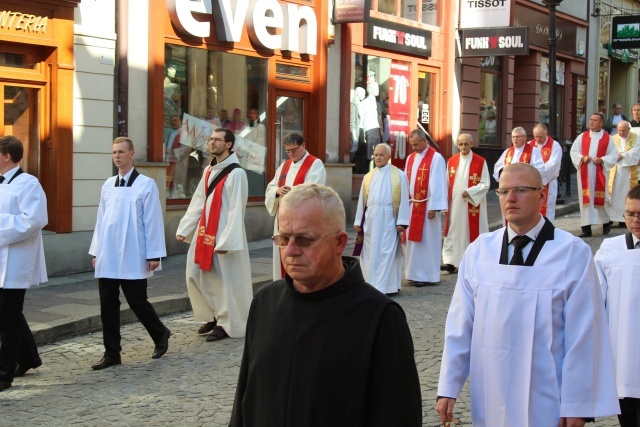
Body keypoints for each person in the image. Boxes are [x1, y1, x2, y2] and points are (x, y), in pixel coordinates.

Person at [436, 163, 620, 427]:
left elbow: (584, 334)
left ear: (542, 195)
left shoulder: (571, 253)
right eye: (504, 191)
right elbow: (460, 326)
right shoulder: (479, 251)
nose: (510, 198)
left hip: (548, 396)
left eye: (521, 190)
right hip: (490, 392)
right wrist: (448, 386)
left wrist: (576, 404)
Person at [229, 183, 422, 426]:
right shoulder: (265, 302)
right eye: (283, 238)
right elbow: (245, 398)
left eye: (304, 239)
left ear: (339, 243)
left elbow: (397, 415)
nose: (290, 251)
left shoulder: (379, 316)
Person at [89, 137, 170, 370]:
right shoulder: (107, 185)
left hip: (134, 251)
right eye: (114, 152)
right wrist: (96, 251)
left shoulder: (146, 184)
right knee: (107, 305)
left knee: (137, 301)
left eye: (122, 152)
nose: (117, 156)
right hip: (109, 253)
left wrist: (154, 254)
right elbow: (101, 220)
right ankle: (112, 352)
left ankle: (160, 333)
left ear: (132, 154)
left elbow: (153, 220)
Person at [177, 128, 252, 341]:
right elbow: (199, 200)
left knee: (224, 280)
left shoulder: (237, 173)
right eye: (211, 139)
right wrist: (185, 228)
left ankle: (226, 324)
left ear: (229, 144)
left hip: (223, 234)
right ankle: (211, 315)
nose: (212, 143)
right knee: (195, 272)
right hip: (204, 230)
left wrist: (228, 239)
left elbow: (236, 209)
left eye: (217, 140)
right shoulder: (209, 170)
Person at [0, 136, 46, 391]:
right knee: (10, 314)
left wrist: (2, 223)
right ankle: (29, 357)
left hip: (15, 261)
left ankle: (4, 373)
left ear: (6, 155)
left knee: (8, 318)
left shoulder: (29, 184)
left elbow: (34, 220)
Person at [595, 185, 640, 427]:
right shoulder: (609, 250)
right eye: (630, 214)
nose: (635, 221)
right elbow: (593, 301)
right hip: (621, 357)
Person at [265, 132, 325, 281]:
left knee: (300, 256)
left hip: (303, 221)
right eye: (288, 151)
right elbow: (271, 186)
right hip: (283, 219)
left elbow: (315, 189)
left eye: (294, 150)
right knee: (283, 256)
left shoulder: (315, 164)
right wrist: (277, 191)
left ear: (303, 146)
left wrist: (292, 191)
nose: (291, 154)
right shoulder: (284, 166)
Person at [353, 144, 410, 295]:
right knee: (370, 251)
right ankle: (370, 283)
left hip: (388, 218)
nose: (378, 157)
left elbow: (404, 199)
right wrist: (358, 221)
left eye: (381, 155)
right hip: (371, 219)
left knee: (387, 251)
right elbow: (362, 201)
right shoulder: (368, 176)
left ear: (389, 157)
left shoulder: (399, 175)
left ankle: (387, 286)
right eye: (376, 155)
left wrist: (402, 222)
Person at [404, 128, 447, 286]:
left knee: (427, 241)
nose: (414, 148)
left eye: (416, 144)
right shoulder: (410, 158)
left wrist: (434, 207)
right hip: (412, 205)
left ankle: (427, 275)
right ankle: (413, 273)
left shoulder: (436, 158)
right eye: (412, 145)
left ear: (424, 141)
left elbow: (438, 183)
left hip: (427, 205)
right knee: (412, 242)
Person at [441, 134, 489, 273]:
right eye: (460, 144)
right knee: (452, 231)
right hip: (455, 204)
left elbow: (485, 184)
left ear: (471, 144)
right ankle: (450, 261)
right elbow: (446, 183)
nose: (463, 147)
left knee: (468, 232)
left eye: (466, 144)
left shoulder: (480, 162)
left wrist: (471, 191)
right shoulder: (452, 161)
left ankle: (469, 259)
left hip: (471, 204)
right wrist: (444, 202)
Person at [570, 112, 618, 237]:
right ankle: (586, 228)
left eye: (595, 120)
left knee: (604, 199)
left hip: (600, 173)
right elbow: (573, 152)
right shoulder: (582, 137)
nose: (591, 122)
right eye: (590, 120)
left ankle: (606, 223)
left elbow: (614, 155)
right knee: (585, 200)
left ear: (601, 123)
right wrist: (582, 158)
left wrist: (603, 160)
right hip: (585, 174)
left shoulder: (608, 138)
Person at [606, 121, 640, 225]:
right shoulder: (613, 138)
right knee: (613, 195)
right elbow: (608, 152)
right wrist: (616, 156)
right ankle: (611, 217)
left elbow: (635, 152)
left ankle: (623, 220)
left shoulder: (635, 138)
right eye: (619, 130)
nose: (621, 133)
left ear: (629, 129)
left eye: (624, 130)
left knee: (626, 194)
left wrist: (623, 156)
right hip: (614, 171)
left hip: (628, 172)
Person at [529, 123, 563, 221]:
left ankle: (547, 230)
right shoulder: (529, 145)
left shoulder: (555, 146)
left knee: (548, 206)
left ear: (546, 133)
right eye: (536, 136)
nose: (538, 139)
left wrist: (538, 177)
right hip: (531, 183)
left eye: (541, 136)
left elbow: (553, 164)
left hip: (548, 181)